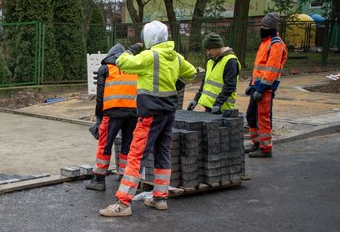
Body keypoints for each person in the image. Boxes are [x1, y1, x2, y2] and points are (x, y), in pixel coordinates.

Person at [99, 20, 196, 217]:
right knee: (163, 152)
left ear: (148, 38)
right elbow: (192, 72)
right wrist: (178, 84)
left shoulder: (148, 56)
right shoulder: (175, 57)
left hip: (150, 113)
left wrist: (130, 49)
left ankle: (123, 203)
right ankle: (160, 198)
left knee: (136, 155)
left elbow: (122, 62)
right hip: (168, 113)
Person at [85, 43, 139, 191]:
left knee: (105, 144)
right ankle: (123, 176)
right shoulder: (133, 67)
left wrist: (99, 118)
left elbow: (100, 96)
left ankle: (99, 179)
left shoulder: (106, 68)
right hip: (133, 112)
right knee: (127, 145)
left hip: (112, 112)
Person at [244, 12, 288, 158]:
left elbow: (271, 71)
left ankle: (265, 148)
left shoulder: (276, 45)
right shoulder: (265, 42)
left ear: (272, 28)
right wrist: (252, 85)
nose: (262, 28)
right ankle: (256, 143)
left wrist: (261, 89)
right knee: (251, 116)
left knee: (262, 118)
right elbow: (259, 68)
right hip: (257, 87)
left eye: (265, 26)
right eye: (261, 25)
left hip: (265, 89)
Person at [187, 32, 240, 114]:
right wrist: (196, 99)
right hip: (210, 107)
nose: (208, 52)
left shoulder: (230, 61)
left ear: (217, 47)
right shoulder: (211, 61)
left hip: (222, 109)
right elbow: (205, 84)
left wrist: (218, 103)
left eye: (209, 49)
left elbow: (230, 85)